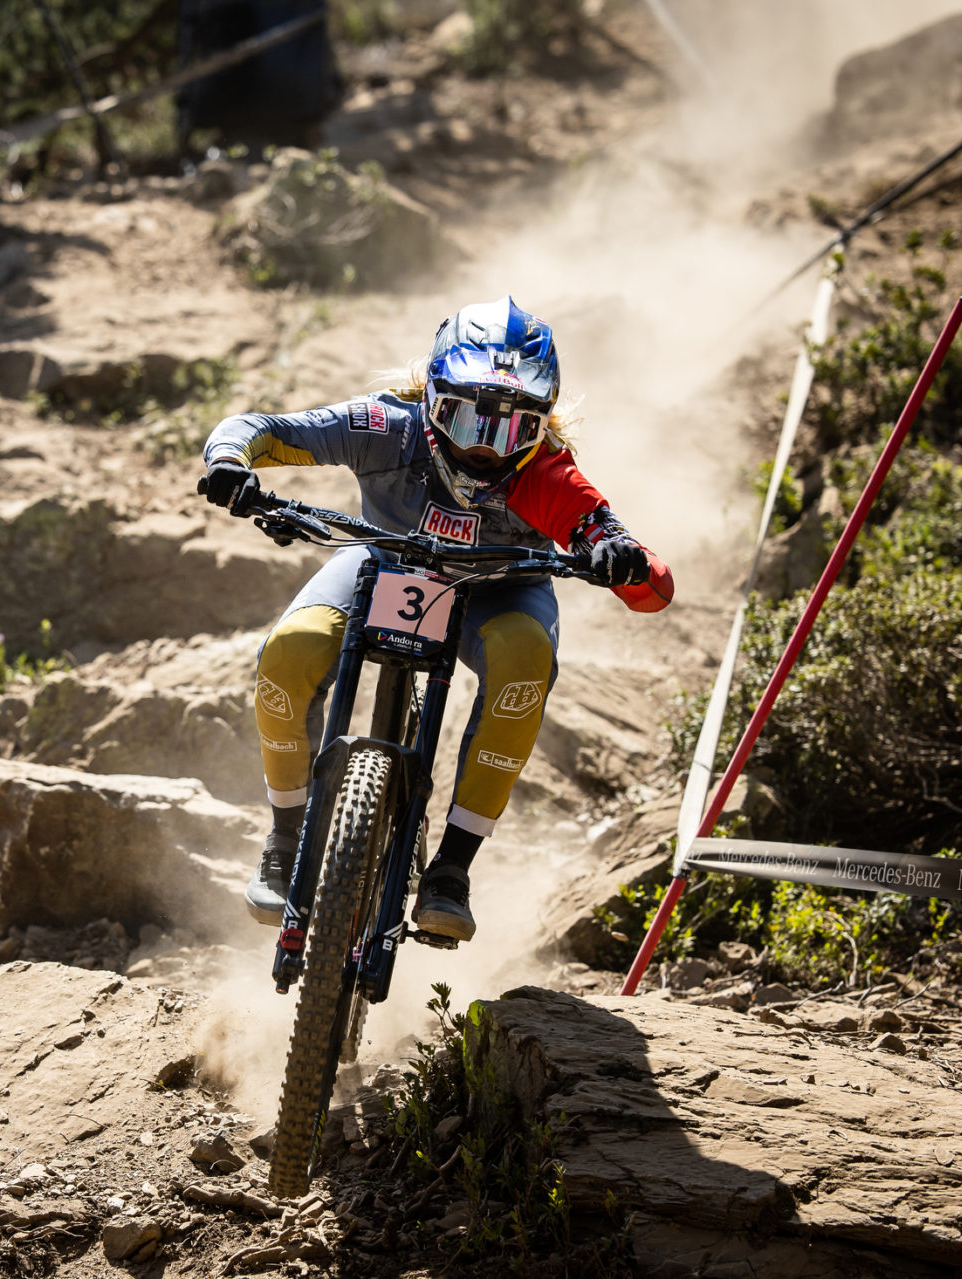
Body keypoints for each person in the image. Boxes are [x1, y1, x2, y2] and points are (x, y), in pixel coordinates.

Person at [199, 296, 673, 942]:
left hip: (500, 593)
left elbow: (641, 573)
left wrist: (622, 557)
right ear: (431, 398)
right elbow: (262, 428)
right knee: (290, 653)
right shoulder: (383, 427)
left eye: (511, 428)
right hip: (386, 563)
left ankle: (452, 868)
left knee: (524, 662)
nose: (485, 448)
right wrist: (230, 463)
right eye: (466, 418)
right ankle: (286, 839)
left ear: (541, 425)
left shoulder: (548, 474)